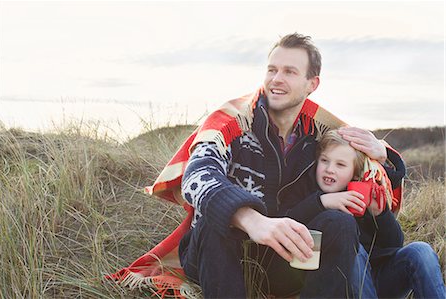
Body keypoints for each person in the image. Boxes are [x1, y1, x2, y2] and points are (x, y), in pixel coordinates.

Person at [178, 32, 405, 298]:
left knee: (340, 223)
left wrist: (381, 154)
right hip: (222, 255)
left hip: (280, 261)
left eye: (289, 72)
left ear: (312, 83)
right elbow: (197, 176)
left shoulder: (317, 134)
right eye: (272, 70)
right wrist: (252, 219)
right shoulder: (232, 123)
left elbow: (367, 169)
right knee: (213, 222)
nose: (276, 79)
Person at [314, 130, 446, 298]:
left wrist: (380, 214)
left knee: (421, 251)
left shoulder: (364, 191)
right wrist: (324, 202)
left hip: (382, 279)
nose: (330, 169)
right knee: (353, 248)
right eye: (324, 161)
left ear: (355, 172)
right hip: (344, 284)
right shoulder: (315, 196)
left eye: (340, 164)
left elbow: (395, 244)